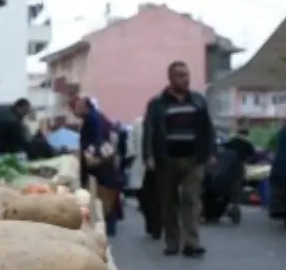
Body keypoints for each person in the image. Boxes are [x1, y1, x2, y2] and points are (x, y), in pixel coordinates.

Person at [142, 61, 217, 256]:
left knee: (191, 199)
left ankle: (192, 242)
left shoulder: (198, 101)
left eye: (187, 74)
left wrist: (211, 153)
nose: (186, 79)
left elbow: (208, 128)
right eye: (181, 75)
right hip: (166, 160)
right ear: (171, 78)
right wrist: (148, 156)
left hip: (194, 158)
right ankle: (172, 242)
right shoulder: (157, 104)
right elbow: (149, 131)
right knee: (168, 202)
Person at [72, 96, 125, 237]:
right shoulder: (94, 118)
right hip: (103, 164)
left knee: (104, 195)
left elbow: (98, 141)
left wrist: (92, 156)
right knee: (105, 195)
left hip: (101, 165)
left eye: (78, 106)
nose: (75, 110)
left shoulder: (94, 120)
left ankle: (107, 226)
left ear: (86, 107)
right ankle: (107, 225)